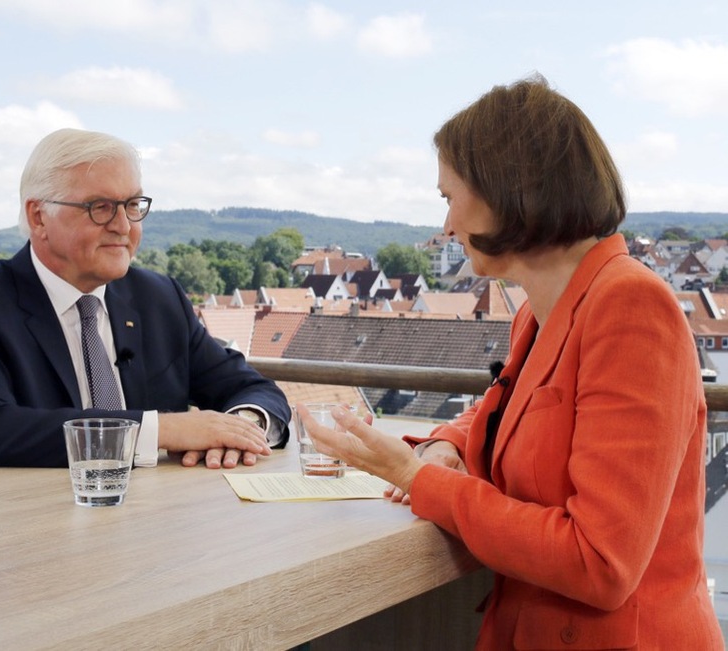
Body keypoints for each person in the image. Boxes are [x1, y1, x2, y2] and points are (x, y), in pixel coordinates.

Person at [299, 76, 724, 649]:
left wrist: (413, 476)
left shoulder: (630, 305)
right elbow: (523, 412)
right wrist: (447, 441)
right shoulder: (542, 308)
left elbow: (599, 562)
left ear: (510, 190)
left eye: (449, 197)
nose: (446, 226)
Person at [0, 127, 290, 475]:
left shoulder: (159, 298)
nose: (123, 226)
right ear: (39, 217)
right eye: (100, 207)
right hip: (9, 527)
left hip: (146, 523)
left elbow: (254, 389)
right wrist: (161, 430)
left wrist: (241, 429)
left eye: (132, 205)